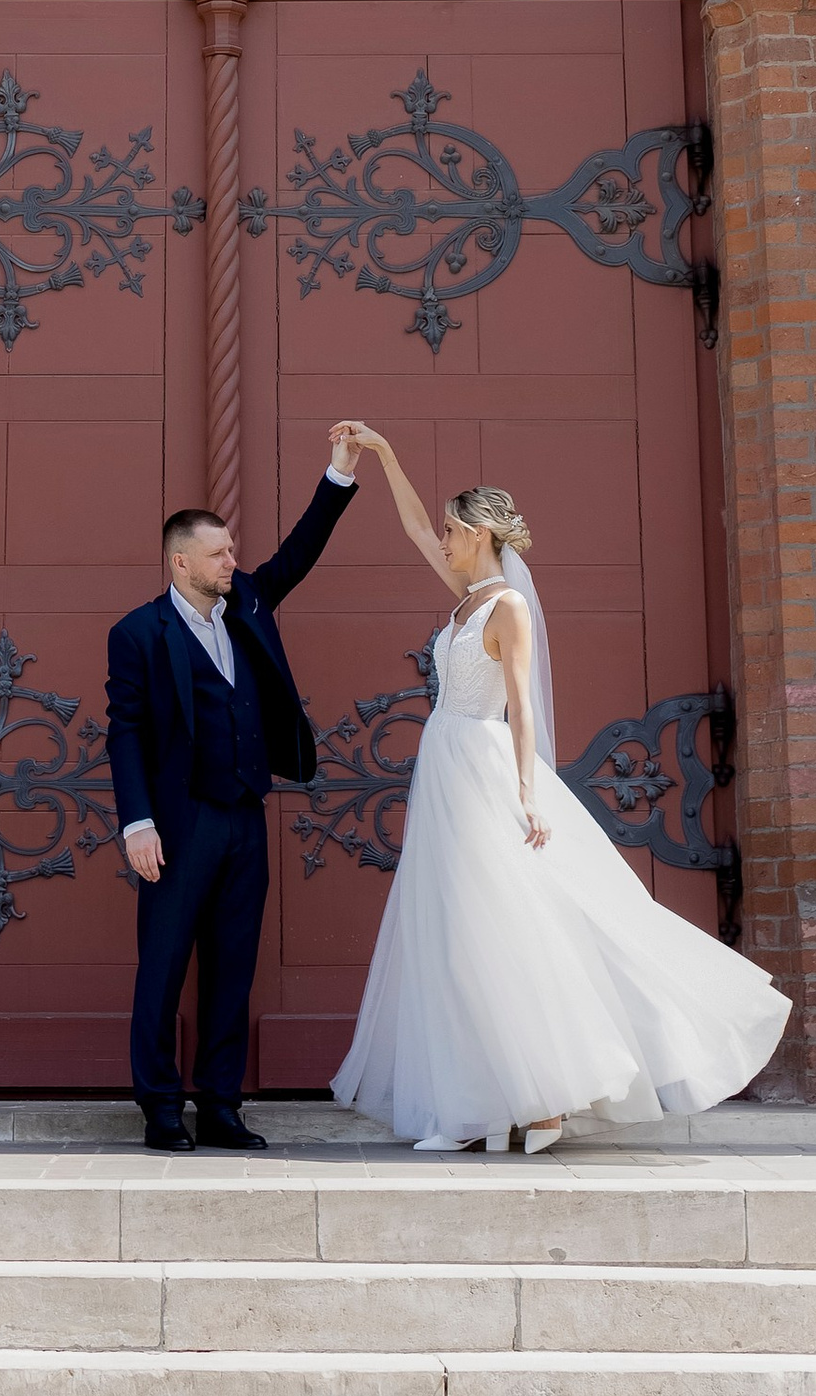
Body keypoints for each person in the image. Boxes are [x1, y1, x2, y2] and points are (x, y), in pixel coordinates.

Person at [330, 429, 790, 1153]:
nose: (441, 540)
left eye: (453, 530)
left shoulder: (505, 606)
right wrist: (383, 455)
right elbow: (414, 525)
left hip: (482, 765)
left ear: (480, 533)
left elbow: (523, 705)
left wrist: (526, 790)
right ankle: (472, 1109)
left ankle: (543, 1103)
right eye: (445, 530)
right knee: (453, 938)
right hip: (444, 769)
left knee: (503, 930)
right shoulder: (463, 596)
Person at [106, 424, 365, 1153]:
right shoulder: (138, 634)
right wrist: (138, 824)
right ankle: (160, 1107)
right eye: (219, 552)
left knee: (232, 965)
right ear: (180, 561)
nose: (233, 560)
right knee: (163, 966)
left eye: (232, 551)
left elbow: (299, 552)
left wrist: (338, 474)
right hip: (179, 820)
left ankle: (219, 1105)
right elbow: (124, 732)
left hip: (244, 815)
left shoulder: (247, 601)